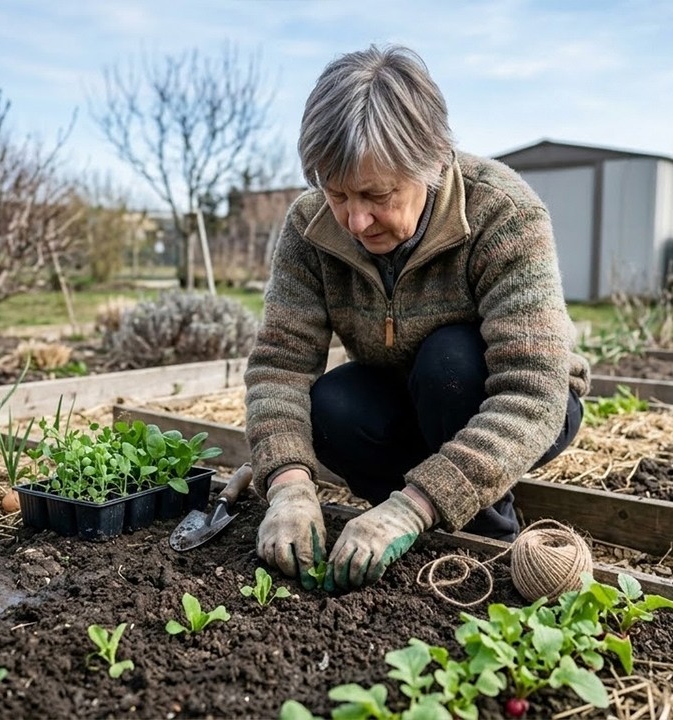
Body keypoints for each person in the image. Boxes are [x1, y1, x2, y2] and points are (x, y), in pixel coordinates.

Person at [245, 45, 590, 592]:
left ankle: (483, 538)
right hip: (407, 399)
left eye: (377, 195)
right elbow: (280, 367)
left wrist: (414, 506)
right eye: (336, 193)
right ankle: (402, 515)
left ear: (429, 165)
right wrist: (287, 481)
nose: (356, 220)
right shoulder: (310, 228)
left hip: (506, 402)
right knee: (331, 406)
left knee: (448, 361)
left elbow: (533, 393)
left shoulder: (501, 211)